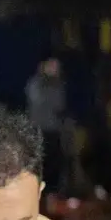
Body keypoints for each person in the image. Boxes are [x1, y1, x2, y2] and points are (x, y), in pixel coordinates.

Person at [25, 56, 71, 199]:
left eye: (56, 67)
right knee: (39, 167)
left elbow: (59, 108)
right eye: (51, 66)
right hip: (39, 133)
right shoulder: (34, 85)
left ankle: (54, 196)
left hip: (54, 133)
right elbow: (38, 102)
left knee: (55, 168)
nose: (54, 70)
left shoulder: (59, 87)